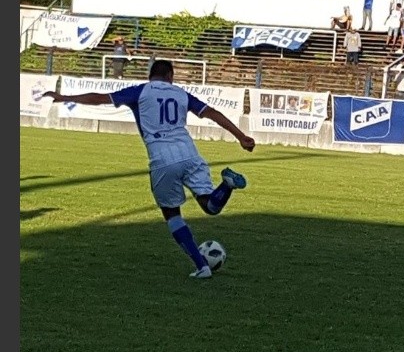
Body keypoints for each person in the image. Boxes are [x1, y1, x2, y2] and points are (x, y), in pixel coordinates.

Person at [41, 60, 256, 279]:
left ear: (150, 74)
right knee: (210, 205)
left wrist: (64, 97)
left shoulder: (140, 91)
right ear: (171, 76)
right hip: (190, 153)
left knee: (172, 214)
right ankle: (227, 184)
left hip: (162, 159)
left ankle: (202, 267)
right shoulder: (181, 93)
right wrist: (241, 137)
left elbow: (100, 98)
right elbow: (211, 112)